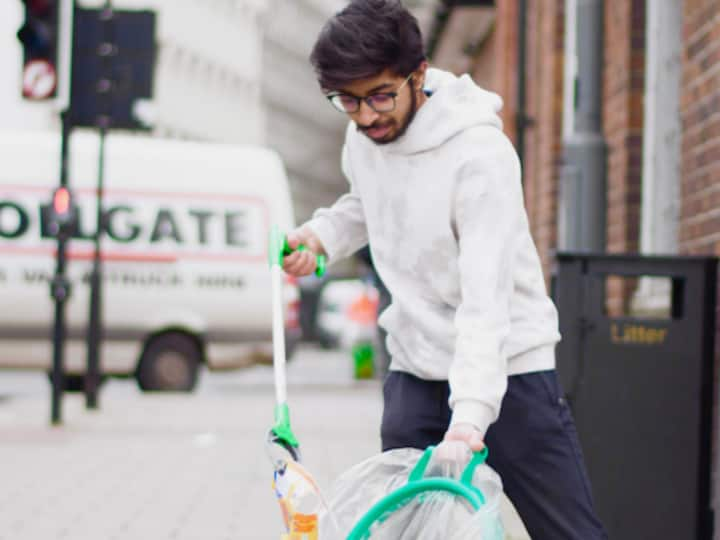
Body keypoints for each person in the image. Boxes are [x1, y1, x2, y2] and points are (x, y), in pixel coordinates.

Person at [282, 1, 607, 538]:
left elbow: (485, 300)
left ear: (419, 75)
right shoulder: (364, 137)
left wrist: (470, 420)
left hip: (510, 373)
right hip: (416, 371)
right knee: (412, 530)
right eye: (348, 101)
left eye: (381, 96)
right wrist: (320, 238)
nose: (366, 116)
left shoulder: (479, 156)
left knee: (569, 532)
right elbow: (365, 205)